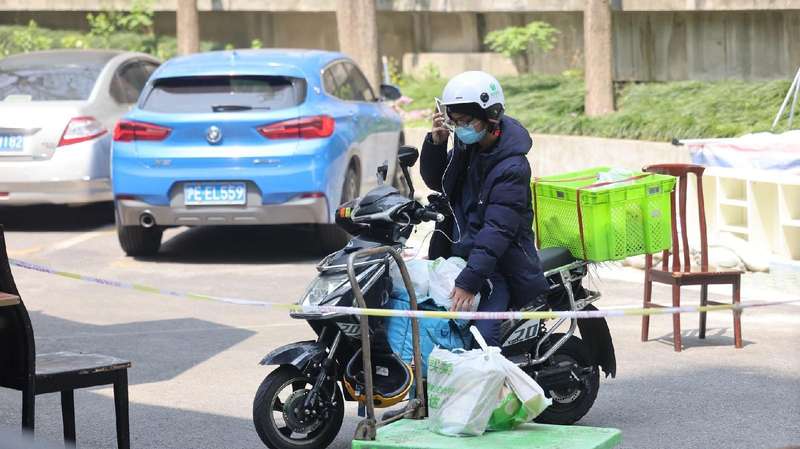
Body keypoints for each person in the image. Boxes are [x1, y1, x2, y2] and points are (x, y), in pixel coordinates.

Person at [420, 70, 549, 347]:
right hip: (463, 258)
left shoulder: (512, 167)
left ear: (491, 117)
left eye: (466, 121)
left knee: (480, 340)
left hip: (498, 267)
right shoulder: (469, 148)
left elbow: (497, 231)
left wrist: (469, 281)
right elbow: (439, 182)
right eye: (455, 122)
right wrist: (437, 143)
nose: (460, 128)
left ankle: (493, 384)